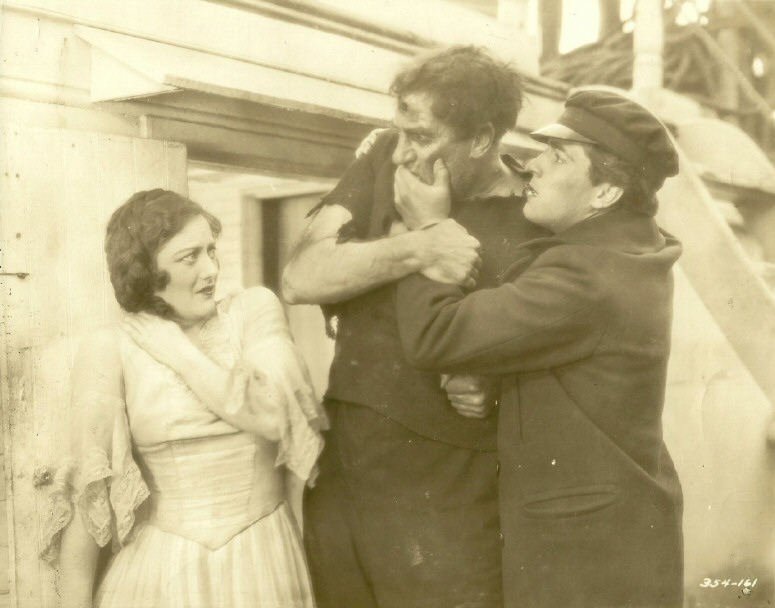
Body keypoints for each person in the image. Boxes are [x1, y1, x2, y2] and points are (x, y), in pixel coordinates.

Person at [393, 90, 684, 608]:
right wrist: (496, 381)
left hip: (584, 559)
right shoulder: (630, 251)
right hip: (616, 537)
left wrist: (428, 231)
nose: (533, 166)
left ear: (604, 195)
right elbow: (578, 374)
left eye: (558, 157)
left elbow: (437, 334)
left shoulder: (585, 273)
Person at [282, 45, 549, 608]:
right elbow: (301, 277)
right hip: (348, 472)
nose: (403, 152)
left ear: (481, 138)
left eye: (422, 137)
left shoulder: (535, 214)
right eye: (398, 130)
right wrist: (420, 245)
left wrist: (496, 383)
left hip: (452, 491)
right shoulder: (385, 154)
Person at [39, 189, 326, 608]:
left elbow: (273, 415)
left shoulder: (252, 311)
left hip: (263, 563)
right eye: (190, 257)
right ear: (146, 271)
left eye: (212, 250)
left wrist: (178, 351)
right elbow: (88, 505)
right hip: (161, 574)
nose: (210, 269)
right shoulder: (110, 348)